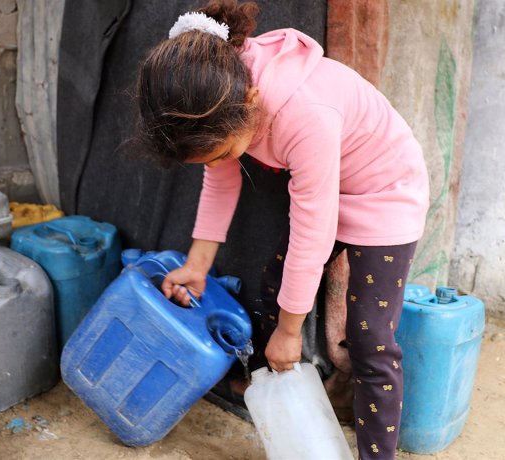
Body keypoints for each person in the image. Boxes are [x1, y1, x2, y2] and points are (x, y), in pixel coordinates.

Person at [136, 1, 429, 458]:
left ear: (250, 105)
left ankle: (378, 453)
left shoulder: (304, 112)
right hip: (327, 192)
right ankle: (275, 383)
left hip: (385, 197)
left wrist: (291, 331)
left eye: (218, 153)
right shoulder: (222, 92)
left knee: (372, 338)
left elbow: (312, 233)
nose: (214, 164)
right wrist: (197, 265)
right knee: (277, 283)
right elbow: (220, 179)